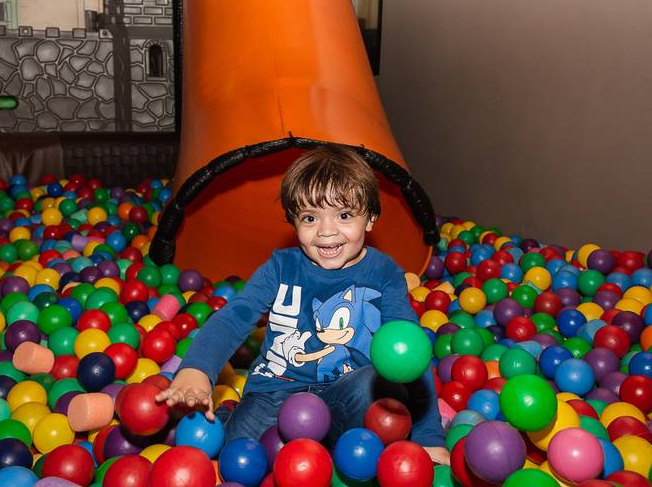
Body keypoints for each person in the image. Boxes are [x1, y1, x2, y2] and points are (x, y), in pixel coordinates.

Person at [156, 145, 448, 464]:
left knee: (376, 387)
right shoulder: (281, 268)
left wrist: (428, 438)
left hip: (346, 391)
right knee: (239, 456)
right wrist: (197, 368)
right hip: (277, 389)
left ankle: (338, 450)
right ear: (293, 221)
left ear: (370, 219)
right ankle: (231, 417)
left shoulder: (384, 273)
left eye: (344, 215)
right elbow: (233, 319)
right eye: (310, 218)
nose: (326, 231)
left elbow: (409, 352)